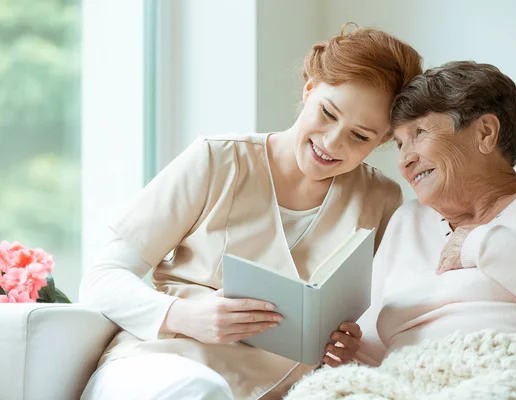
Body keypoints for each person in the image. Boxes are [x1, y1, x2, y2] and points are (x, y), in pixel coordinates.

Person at [79, 25, 422, 400]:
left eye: (361, 136)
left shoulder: (381, 199)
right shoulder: (217, 159)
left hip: (282, 389)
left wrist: (345, 344)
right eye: (327, 113)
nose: (332, 141)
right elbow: (102, 279)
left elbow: (377, 317)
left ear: (384, 140)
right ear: (309, 91)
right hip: (161, 365)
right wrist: (184, 315)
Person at [285, 60, 516, 399]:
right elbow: (373, 347)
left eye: (418, 135)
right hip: (406, 381)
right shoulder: (407, 222)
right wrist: (349, 353)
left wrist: (479, 243)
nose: (405, 160)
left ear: (485, 133)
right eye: (400, 144)